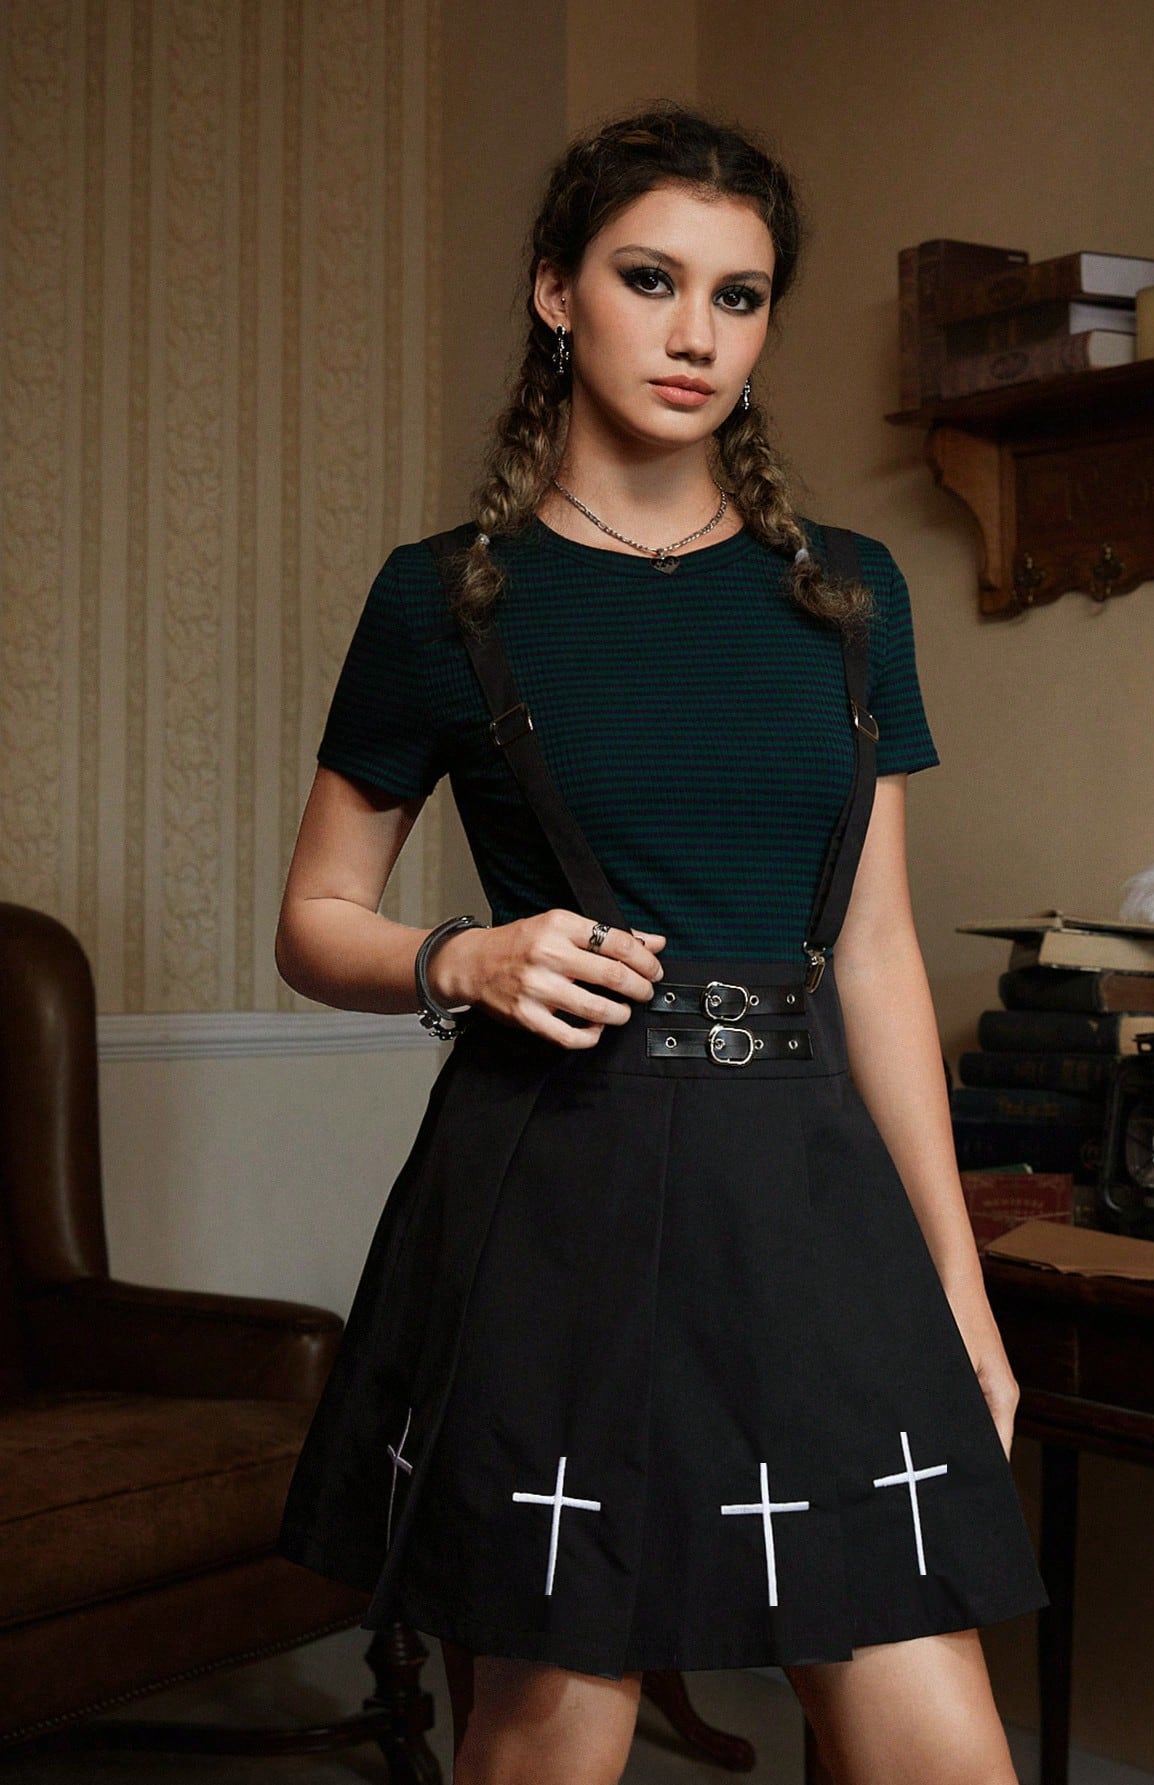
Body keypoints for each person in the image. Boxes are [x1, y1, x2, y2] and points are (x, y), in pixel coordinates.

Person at [274, 104, 1047, 1785]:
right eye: (650, 278)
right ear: (557, 291)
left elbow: (876, 956)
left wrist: (959, 1291)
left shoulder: (845, 595)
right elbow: (313, 920)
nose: (697, 332)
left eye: (739, 295)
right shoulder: (443, 598)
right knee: (558, 1722)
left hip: (808, 1198)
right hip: (557, 1184)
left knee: (935, 1728)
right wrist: (462, 960)